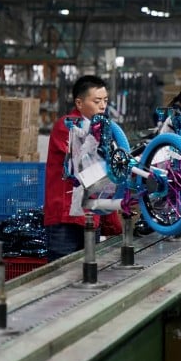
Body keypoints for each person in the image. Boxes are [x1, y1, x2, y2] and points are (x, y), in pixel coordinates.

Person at [44, 75, 123, 259]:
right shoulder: (67, 126)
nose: (103, 106)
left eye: (105, 100)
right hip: (66, 217)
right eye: (97, 101)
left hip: (90, 215)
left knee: (89, 270)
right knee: (61, 275)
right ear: (79, 103)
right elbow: (83, 165)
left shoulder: (103, 129)